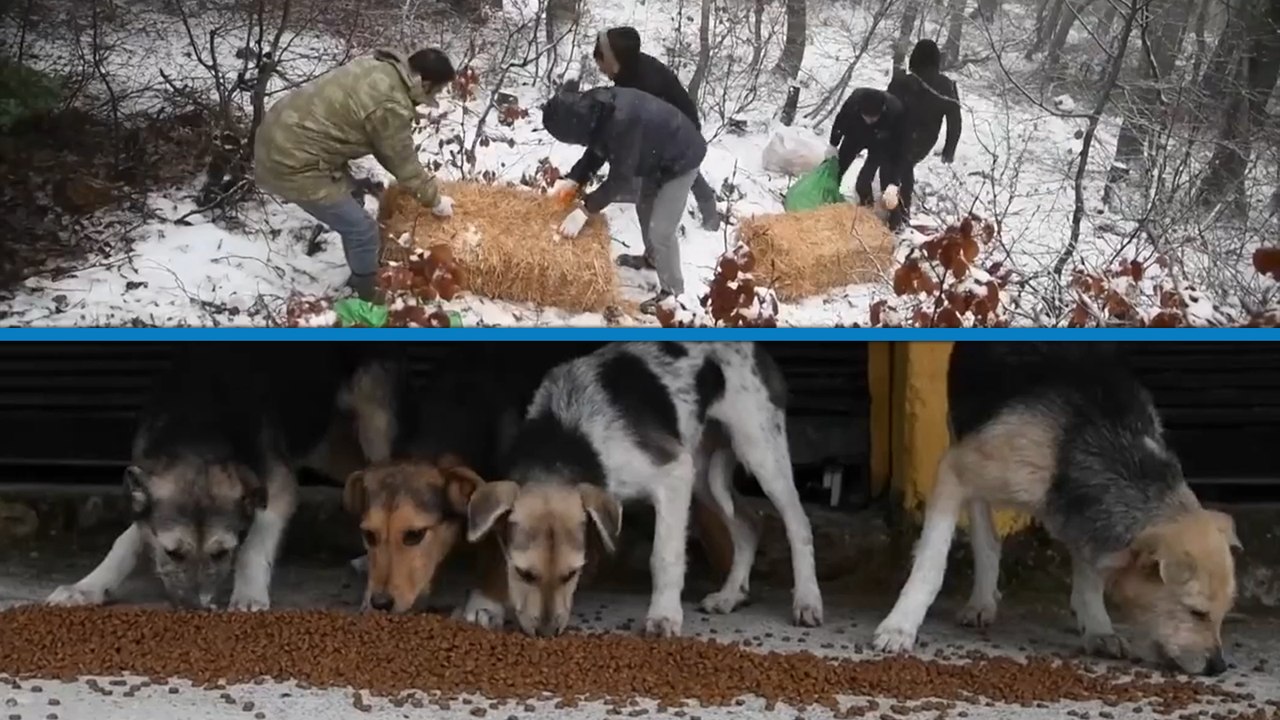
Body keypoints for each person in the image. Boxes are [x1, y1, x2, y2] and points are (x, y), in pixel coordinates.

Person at [254, 48, 457, 301]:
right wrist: (435, 201)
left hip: (279, 134)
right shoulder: (390, 105)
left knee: (355, 196)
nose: (434, 96)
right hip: (289, 162)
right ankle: (365, 289)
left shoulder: (380, 67)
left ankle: (359, 258)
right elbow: (402, 163)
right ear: (425, 83)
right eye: (436, 90)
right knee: (363, 230)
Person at [542, 86, 707, 315]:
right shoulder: (594, 108)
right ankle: (652, 259)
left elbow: (620, 178)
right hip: (655, 154)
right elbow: (597, 150)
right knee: (644, 207)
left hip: (681, 158)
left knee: (661, 230)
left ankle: (673, 296)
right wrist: (574, 179)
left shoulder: (621, 122)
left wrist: (585, 210)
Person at [592, 26, 721, 233]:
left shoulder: (642, 82)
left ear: (612, 59)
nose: (601, 70)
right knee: (673, 165)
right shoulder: (629, 67)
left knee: (682, 165)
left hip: (681, 127)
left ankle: (709, 212)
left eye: (602, 64)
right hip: (668, 127)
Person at [883, 39, 963, 224]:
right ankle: (899, 213)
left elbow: (885, 106)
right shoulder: (947, 85)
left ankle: (898, 216)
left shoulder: (902, 80)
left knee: (898, 167)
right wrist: (949, 149)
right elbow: (955, 120)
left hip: (897, 135)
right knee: (905, 165)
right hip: (923, 140)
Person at [828, 87, 910, 229]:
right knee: (838, 168)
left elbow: (901, 149)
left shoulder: (895, 112)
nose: (869, 121)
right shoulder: (853, 103)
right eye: (866, 116)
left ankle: (881, 218)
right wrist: (833, 144)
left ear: (882, 110)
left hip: (882, 143)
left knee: (864, 182)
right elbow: (840, 122)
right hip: (855, 136)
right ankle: (829, 202)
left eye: (873, 118)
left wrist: (894, 182)